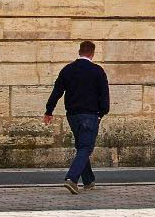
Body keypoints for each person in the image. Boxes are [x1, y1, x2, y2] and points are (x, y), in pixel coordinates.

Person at [43, 40, 111, 194]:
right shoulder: (97, 71)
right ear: (92, 54)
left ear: (79, 52)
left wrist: (49, 110)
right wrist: (102, 113)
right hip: (91, 115)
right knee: (86, 148)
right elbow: (104, 95)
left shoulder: (68, 70)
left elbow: (57, 91)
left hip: (73, 115)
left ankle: (88, 181)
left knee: (82, 147)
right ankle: (72, 179)